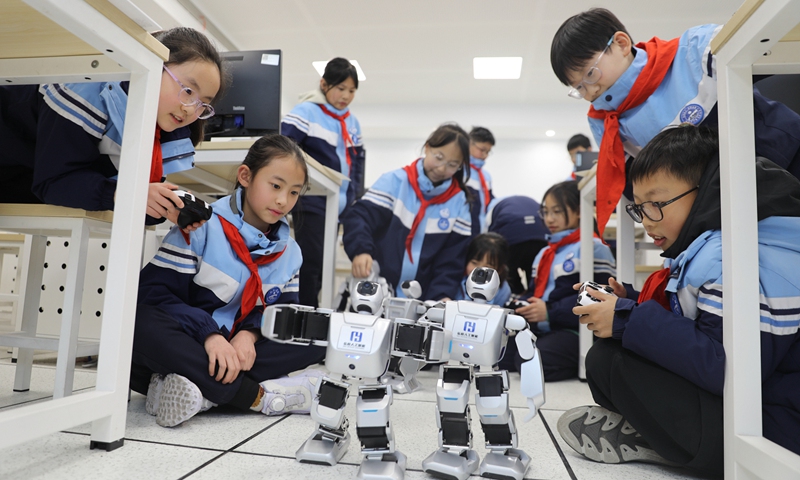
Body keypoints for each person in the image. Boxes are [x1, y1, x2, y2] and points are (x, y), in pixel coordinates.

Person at [560, 125, 800, 477]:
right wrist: (632, 304)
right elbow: (698, 327)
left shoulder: (731, 255)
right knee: (609, 357)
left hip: (775, 434)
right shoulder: (729, 240)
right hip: (767, 409)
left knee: (612, 363)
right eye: (639, 209)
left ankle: (664, 444)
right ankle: (662, 438)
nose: (646, 222)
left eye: (656, 204)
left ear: (706, 192)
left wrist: (628, 319)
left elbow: (730, 372)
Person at [131, 135, 326, 427]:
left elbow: (283, 319)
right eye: (275, 186)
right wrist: (210, 336)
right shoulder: (201, 226)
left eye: (294, 192)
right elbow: (153, 296)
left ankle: (198, 389)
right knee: (137, 319)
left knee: (323, 331)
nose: (283, 201)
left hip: (234, 352)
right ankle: (256, 395)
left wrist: (249, 335)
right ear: (245, 176)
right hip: (189, 341)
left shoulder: (290, 252)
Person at [550, 8, 800, 236]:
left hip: (781, 157)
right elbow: (636, 187)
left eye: (591, 74)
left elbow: (772, 51)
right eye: (579, 88)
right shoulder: (603, 120)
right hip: (718, 207)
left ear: (621, 43)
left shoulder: (694, 49)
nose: (590, 92)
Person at [0, 27, 225, 230]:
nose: (190, 109)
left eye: (203, 104)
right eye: (187, 91)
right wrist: (128, 195)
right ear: (154, 66)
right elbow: (54, 181)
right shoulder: (87, 88)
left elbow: (123, 193)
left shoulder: (162, 132)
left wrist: (164, 207)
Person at [341, 123, 472, 301]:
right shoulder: (394, 181)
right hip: (376, 289)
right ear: (427, 148)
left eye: (452, 164)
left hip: (424, 300)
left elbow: (452, 260)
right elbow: (359, 217)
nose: (442, 168)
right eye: (439, 157)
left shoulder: (459, 203)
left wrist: (441, 296)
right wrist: (361, 250)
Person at [508, 181, 616, 381]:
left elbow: (600, 297)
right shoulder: (545, 251)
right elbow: (535, 293)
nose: (550, 219)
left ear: (578, 211)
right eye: (545, 212)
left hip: (576, 328)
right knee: (500, 354)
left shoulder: (594, 247)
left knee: (529, 363)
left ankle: (586, 364)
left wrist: (550, 311)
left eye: (557, 211)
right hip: (544, 326)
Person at [281, 57, 365, 307]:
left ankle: (315, 312)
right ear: (324, 84)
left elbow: (358, 166)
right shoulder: (306, 111)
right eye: (340, 88)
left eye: (351, 90)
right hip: (312, 200)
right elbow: (284, 148)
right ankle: (304, 311)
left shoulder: (353, 123)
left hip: (340, 206)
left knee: (326, 264)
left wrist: (355, 200)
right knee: (311, 262)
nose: (346, 96)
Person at [486, 195, 549, 294]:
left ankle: (517, 298)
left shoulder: (491, 209)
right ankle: (533, 299)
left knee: (508, 274)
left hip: (512, 236)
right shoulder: (526, 201)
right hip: (540, 234)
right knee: (536, 276)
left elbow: (491, 240)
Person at [455, 232, 512, 306]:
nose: (479, 270)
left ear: (500, 269)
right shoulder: (456, 282)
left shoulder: (503, 290)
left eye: (487, 267)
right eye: (474, 263)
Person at [466, 126, 495, 235]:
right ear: (469, 144)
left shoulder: (486, 176)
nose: (485, 155)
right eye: (482, 150)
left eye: (488, 152)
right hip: (464, 229)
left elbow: (489, 203)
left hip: (481, 230)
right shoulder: (459, 171)